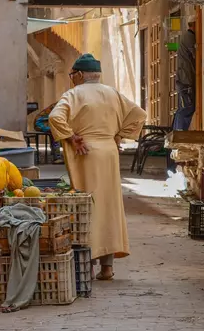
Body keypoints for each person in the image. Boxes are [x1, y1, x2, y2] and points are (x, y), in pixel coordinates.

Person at [49, 53, 146, 280]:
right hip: (108, 152)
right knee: (109, 207)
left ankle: (88, 265)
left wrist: (72, 137)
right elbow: (138, 115)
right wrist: (119, 135)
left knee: (88, 207)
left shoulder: (74, 94)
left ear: (80, 75)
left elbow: (55, 117)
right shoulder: (112, 93)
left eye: (73, 74)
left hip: (87, 152)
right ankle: (107, 267)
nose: (72, 78)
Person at [172, 25, 196, 131]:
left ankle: (177, 132)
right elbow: (196, 54)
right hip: (185, 81)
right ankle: (179, 133)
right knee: (187, 108)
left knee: (183, 108)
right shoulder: (189, 36)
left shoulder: (186, 36)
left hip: (184, 80)